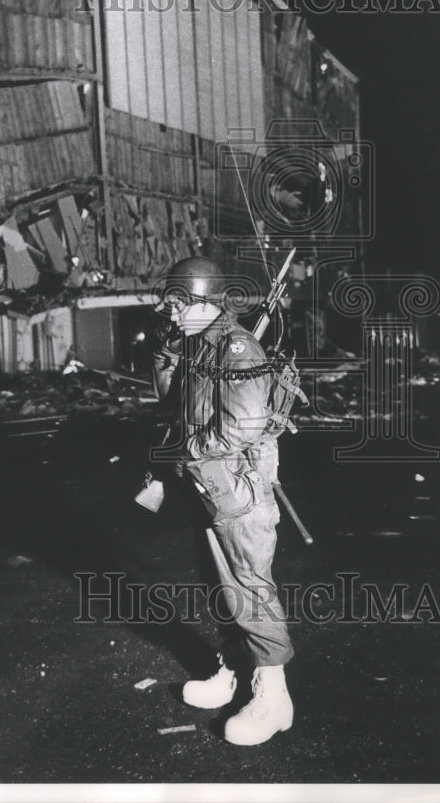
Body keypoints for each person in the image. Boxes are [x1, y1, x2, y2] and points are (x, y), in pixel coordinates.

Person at [152, 255, 294, 746]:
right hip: (212, 486)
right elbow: (172, 403)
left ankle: (273, 698)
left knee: (250, 588)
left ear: (203, 301)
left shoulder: (236, 349)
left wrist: (187, 451)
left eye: (175, 302)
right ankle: (233, 670)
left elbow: (243, 425)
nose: (167, 311)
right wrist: (166, 355)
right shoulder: (196, 347)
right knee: (221, 585)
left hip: (240, 489)